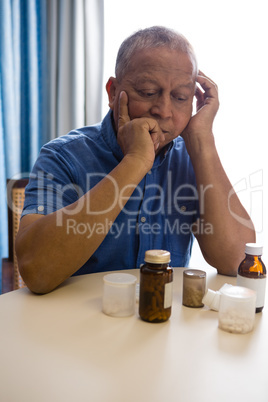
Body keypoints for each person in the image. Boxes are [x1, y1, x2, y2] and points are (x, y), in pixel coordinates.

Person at [15, 26, 255, 294]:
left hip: (162, 324)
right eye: (148, 91)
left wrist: (202, 141)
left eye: (180, 98)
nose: (163, 110)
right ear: (113, 91)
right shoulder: (62, 156)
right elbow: (36, 271)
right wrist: (136, 161)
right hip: (79, 325)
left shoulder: (193, 159)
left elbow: (236, 261)